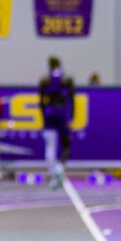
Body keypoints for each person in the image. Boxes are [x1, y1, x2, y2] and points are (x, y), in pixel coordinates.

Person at [39, 56, 75, 190]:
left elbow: (41, 102)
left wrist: (44, 116)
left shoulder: (45, 79)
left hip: (49, 112)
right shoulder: (67, 79)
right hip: (61, 112)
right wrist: (71, 117)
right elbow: (71, 99)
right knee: (66, 144)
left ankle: (53, 176)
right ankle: (60, 166)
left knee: (50, 146)